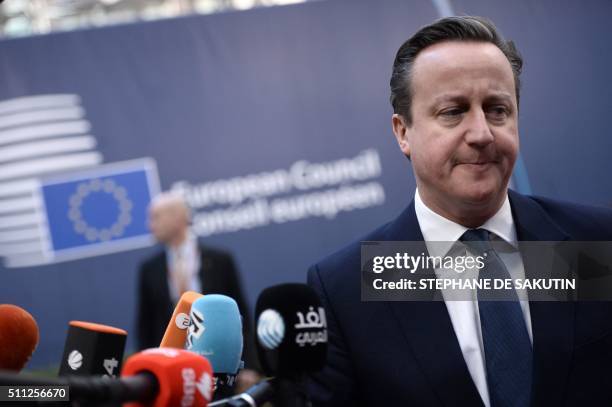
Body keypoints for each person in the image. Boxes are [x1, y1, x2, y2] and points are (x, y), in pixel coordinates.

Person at [306, 16, 612, 406]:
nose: (481, 133)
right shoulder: (349, 287)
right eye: (453, 111)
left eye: (497, 109)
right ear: (403, 132)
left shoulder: (595, 243)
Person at [136, 192, 260, 389]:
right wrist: (148, 375)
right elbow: (145, 327)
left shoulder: (220, 260)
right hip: (172, 374)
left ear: (178, 218)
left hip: (221, 369)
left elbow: (241, 315)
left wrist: (249, 365)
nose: (151, 225)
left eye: (156, 217)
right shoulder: (149, 269)